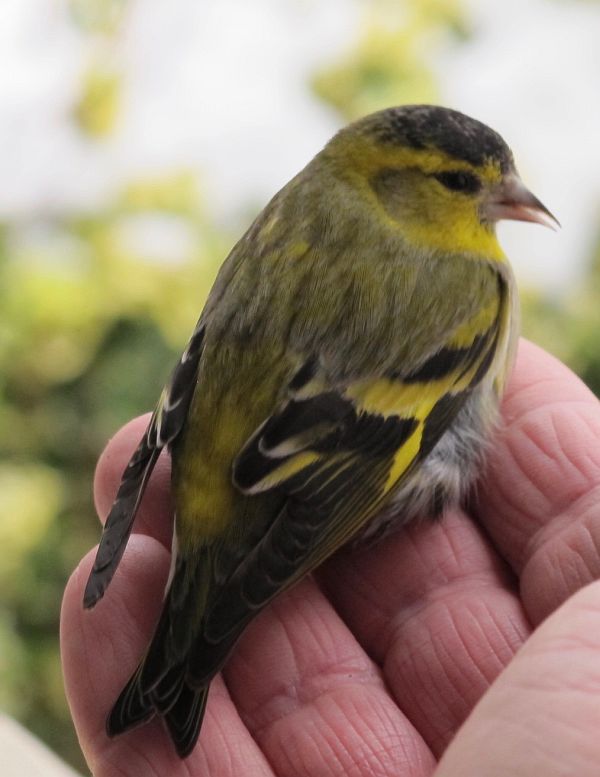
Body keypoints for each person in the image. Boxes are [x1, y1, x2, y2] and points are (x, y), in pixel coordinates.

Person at [61, 340, 600, 776]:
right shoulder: (468, 292)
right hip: (304, 479)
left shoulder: (277, 227)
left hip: (193, 429)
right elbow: (387, 448)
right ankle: (186, 659)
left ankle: (178, 662)